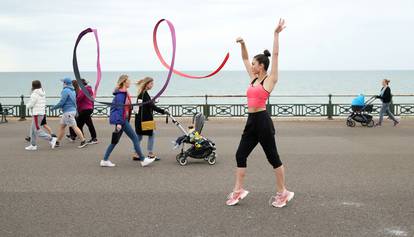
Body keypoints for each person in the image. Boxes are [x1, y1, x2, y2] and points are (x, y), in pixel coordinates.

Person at [226, 19, 294, 208]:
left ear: (261, 66)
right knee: (240, 155)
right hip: (251, 122)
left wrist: (276, 34)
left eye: (255, 64)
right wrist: (243, 43)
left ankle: (283, 192)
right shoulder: (253, 79)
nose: (252, 66)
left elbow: (277, 54)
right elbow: (245, 59)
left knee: (273, 158)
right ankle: (238, 190)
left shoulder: (270, 80)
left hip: (263, 121)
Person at [100, 75, 155, 167]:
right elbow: (119, 109)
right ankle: (142, 159)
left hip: (122, 120)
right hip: (122, 121)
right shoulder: (121, 95)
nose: (130, 82)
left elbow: (126, 107)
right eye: (128, 81)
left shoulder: (124, 93)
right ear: (124, 82)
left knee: (115, 141)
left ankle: (105, 160)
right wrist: (118, 123)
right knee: (135, 139)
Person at [133, 77, 168, 161]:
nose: (152, 85)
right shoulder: (144, 94)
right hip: (145, 119)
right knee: (151, 135)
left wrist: (151, 103)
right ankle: (150, 154)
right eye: (151, 83)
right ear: (146, 84)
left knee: (139, 136)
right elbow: (152, 107)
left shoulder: (142, 93)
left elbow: (142, 105)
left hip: (140, 119)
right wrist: (163, 111)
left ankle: (136, 153)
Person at [52, 77, 87, 148]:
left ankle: (83, 141)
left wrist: (54, 107)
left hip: (68, 112)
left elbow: (62, 102)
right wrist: (76, 110)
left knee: (74, 127)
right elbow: (75, 102)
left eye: (63, 82)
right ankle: (57, 142)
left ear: (65, 83)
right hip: (71, 111)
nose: (62, 84)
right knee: (62, 126)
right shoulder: (73, 91)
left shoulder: (65, 91)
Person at [25, 80, 57, 150]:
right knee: (33, 129)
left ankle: (51, 139)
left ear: (33, 86)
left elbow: (31, 104)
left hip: (37, 114)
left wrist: (27, 105)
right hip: (41, 113)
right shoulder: (42, 92)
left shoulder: (34, 94)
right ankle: (33, 145)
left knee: (37, 130)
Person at [67, 79, 98, 144]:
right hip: (89, 108)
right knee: (87, 124)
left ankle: (75, 137)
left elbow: (79, 99)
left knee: (78, 124)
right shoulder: (89, 89)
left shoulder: (83, 90)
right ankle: (93, 138)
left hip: (84, 109)